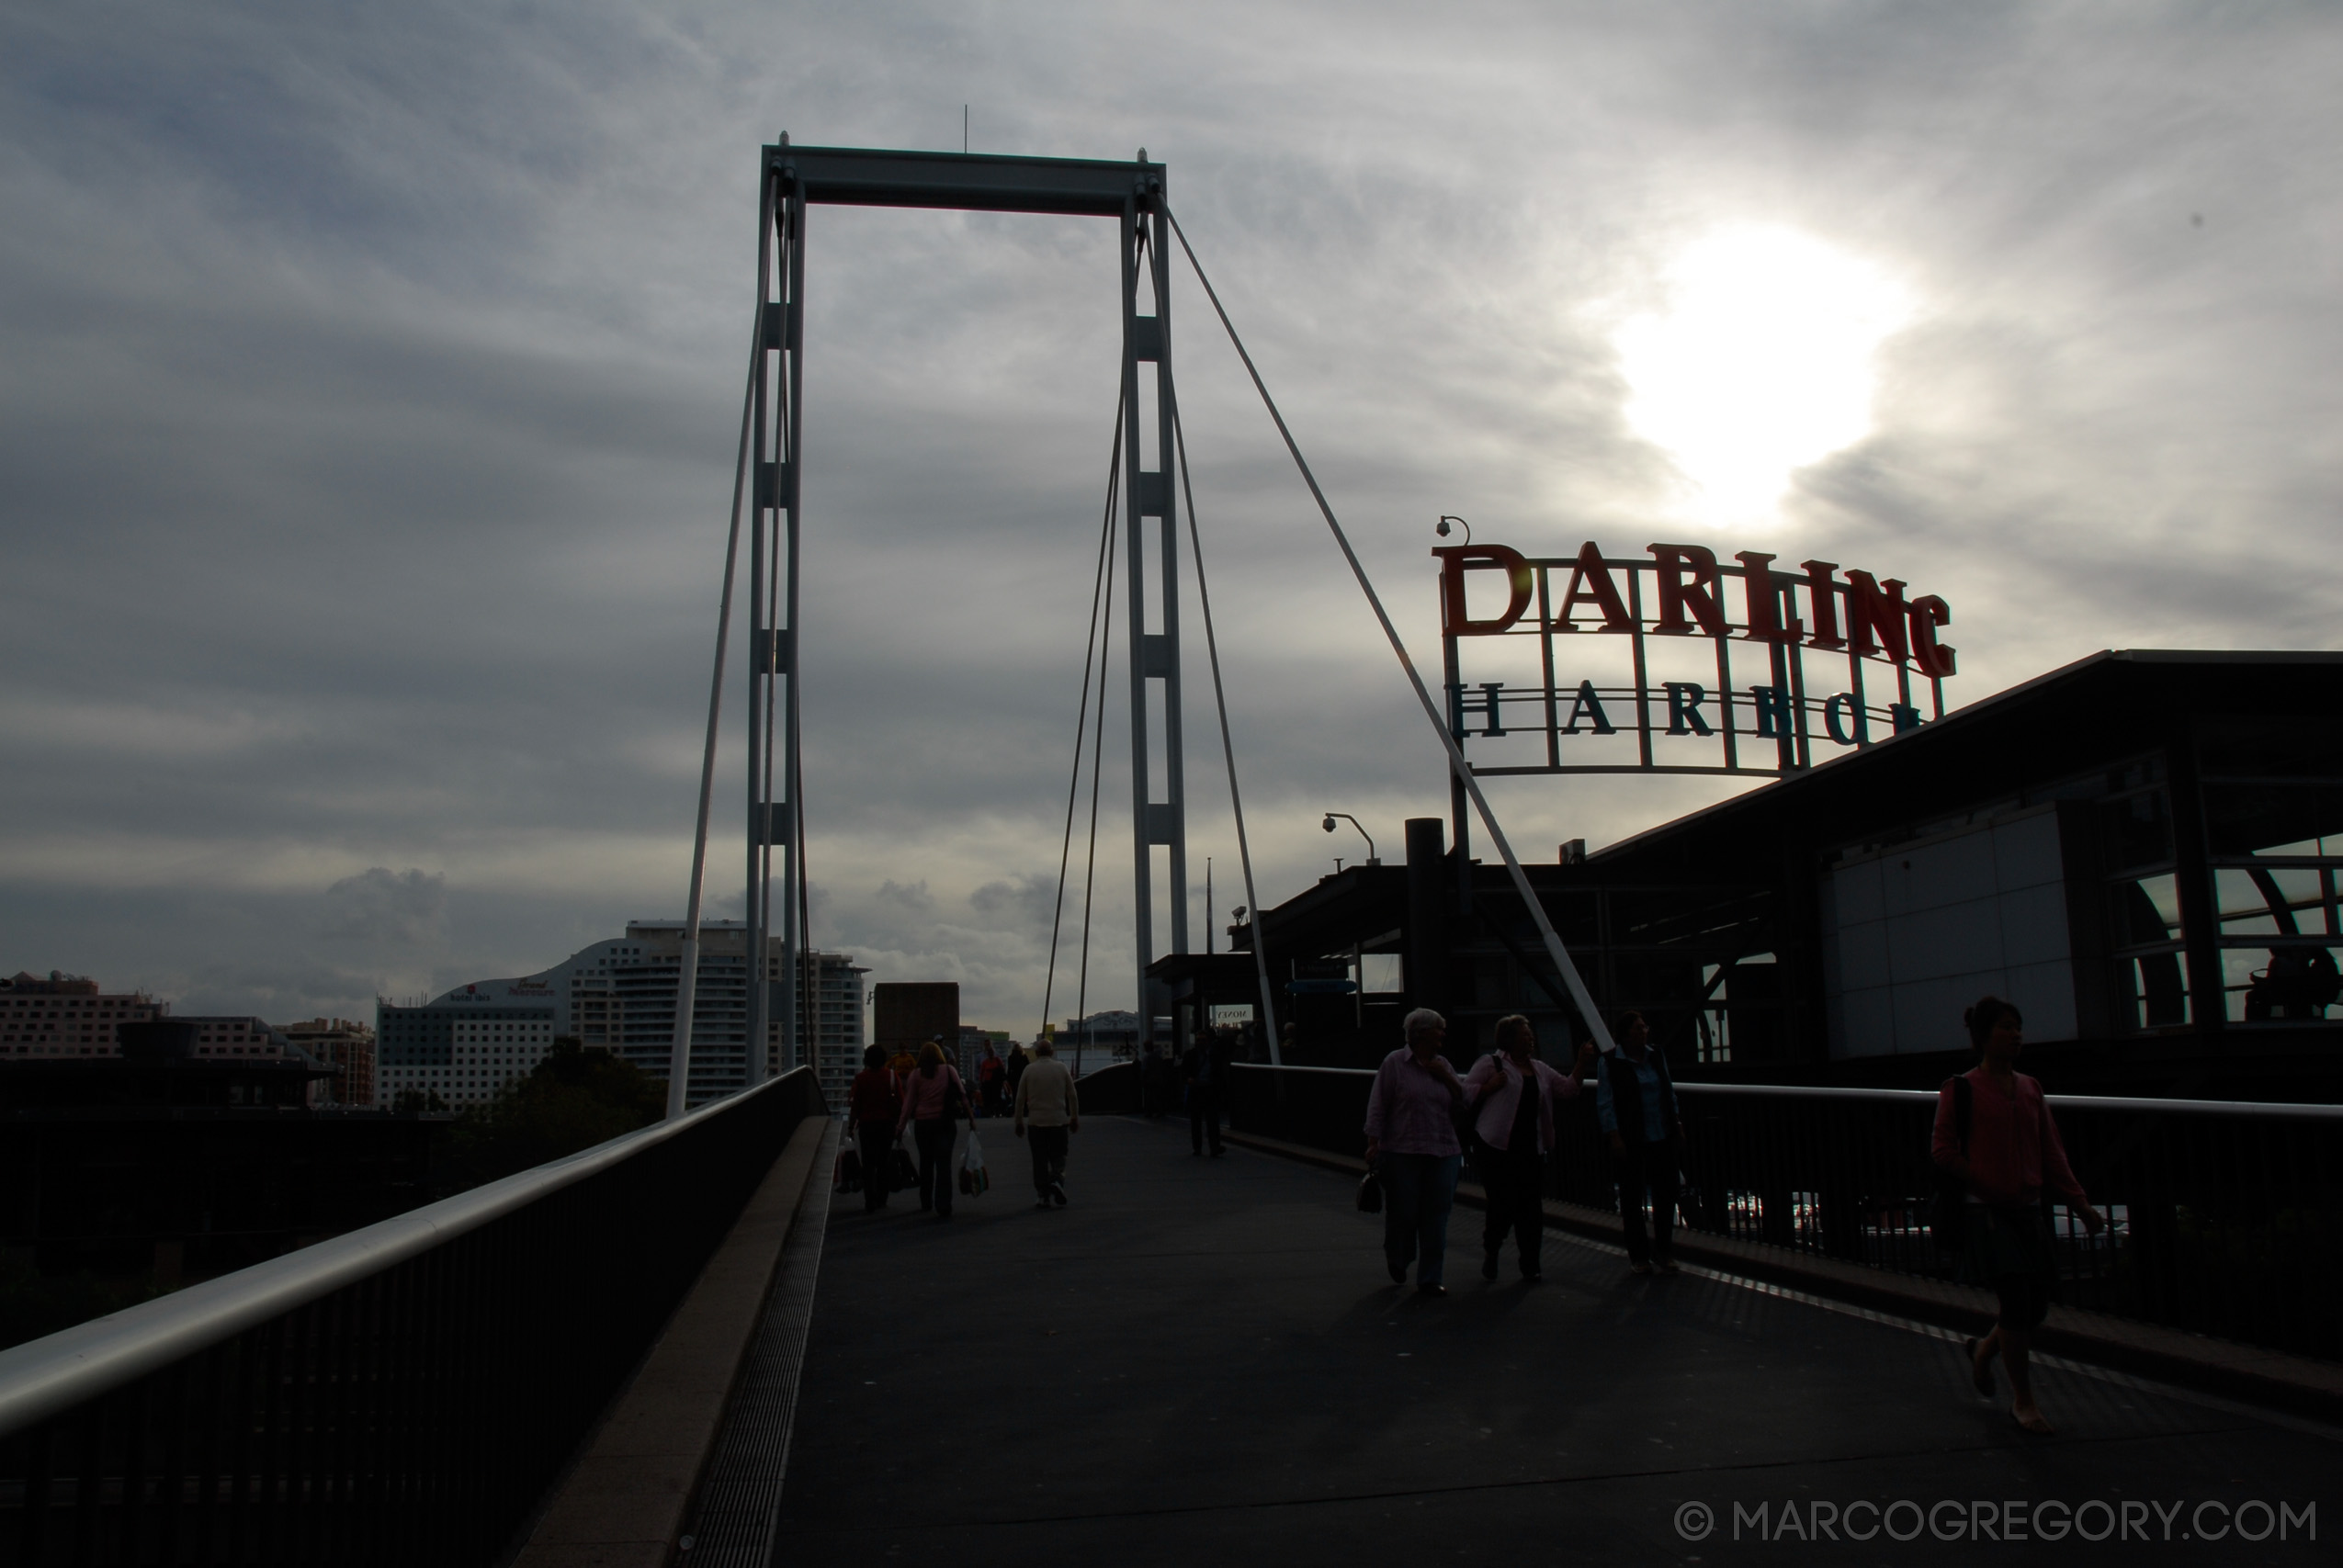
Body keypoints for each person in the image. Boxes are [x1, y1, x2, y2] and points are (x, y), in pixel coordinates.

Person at [1933, 996, 2105, 1435]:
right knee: (2015, 1301)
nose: (2016, 1035)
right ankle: (2024, 1400)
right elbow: (1943, 1150)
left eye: (2018, 1027)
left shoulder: (2030, 1088)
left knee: (2035, 1308)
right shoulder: (1961, 1089)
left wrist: (2078, 1202)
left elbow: (2051, 1151)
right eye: (2007, 1027)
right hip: (1987, 1214)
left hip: (2027, 1209)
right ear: (1984, 1036)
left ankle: (1985, 1350)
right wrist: (1984, 1180)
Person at [1462, 1015, 1596, 1282]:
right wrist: (1488, 1087)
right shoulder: (1491, 1064)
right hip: (1496, 1146)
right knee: (1501, 1205)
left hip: (1529, 1148)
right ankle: (1493, 1247)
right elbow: (1465, 1094)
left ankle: (1530, 1265)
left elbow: (1568, 1090)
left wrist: (1581, 1062)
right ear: (1510, 1039)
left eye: (1531, 1035)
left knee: (1531, 1209)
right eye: (1525, 1035)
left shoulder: (1540, 1069)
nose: (1531, 1039)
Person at [1363, 1008, 1468, 1295]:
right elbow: (1379, 1104)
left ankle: (1430, 1277)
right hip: (1402, 1150)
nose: (1443, 1034)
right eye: (1438, 1029)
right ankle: (1398, 1256)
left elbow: (1464, 1098)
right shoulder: (1394, 1064)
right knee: (1405, 1211)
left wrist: (1445, 1076)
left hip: (1443, 1148)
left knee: (1437, 1214)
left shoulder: (1442, 1063)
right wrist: (1374, 1142)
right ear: (1421, 1033)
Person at [1596, 1010, 1684, 1276]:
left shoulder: (1655, 1055)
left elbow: (1667, 1089)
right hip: (1632, 1135)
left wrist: (1676, 1122)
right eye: (1638, 1028)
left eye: (1644, 1027)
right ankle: (1639, 1255)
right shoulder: (1611, 1062)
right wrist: (1614, 1135)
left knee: (1666, 1194)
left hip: (1661, 1132)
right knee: (1632, 1198)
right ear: (1625, 1034)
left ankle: (1663, 1251)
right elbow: (1605, 1101)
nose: (1643, 1032)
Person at [897, 1041, 974, 1220]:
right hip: (945, 1123)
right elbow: (962, 1095)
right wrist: (971, 1119)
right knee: (944, 1163)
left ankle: (926, 1201)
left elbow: (908, 1105)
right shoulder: (949, 1071)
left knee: (926, 1163)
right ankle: (943, 1204)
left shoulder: (916, 1075)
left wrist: (900, 1127)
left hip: (923, 1125)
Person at [1013, 1039, 1080, 1206]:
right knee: (1059, 1157)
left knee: (1039, 1159)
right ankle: (1056, 1181)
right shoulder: (1062, 1068)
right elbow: (1072, 1095)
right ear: (1052, 1052)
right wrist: (1074, 1118)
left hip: (1036, 1122)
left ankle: (1043, 1194)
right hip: (1058, 1120)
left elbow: (1020, 1099)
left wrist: (1019, 1121)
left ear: (1036, 1054)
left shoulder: (1029, 1070)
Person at [847, 1043, 899, 1213]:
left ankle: (869, 1199)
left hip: (867, 1125)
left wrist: (851, 1127)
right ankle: (882, 1198)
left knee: (868, 1164)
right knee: (884, 1162)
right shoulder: (892, 1076)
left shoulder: (861, 1079)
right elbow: (901, 1101)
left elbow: (855, 1105)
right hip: (887, 1124)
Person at [1181, 1027, 1228, 1156]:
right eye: (1198, 1040)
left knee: (1212, 1121)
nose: (1200, 1042)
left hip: (1210, 1090)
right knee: (1196, 1121)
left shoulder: (1215, 1055)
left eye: (1203, 1039)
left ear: (1208, 1041)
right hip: (1196, 1090)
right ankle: (1197, 1147)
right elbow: (1183, 1071)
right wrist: (1188, 1079)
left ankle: (1214, 1147)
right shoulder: (1190, 1055)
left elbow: (1220, 1073)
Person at [977, 1040, 1006, 1118]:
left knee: (997, 1097)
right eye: (989, 1053)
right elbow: (981, 1072)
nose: (991, 1054)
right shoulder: (985, 1062)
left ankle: (998, 1112)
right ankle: (990, 1112)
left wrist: (1002, 1079)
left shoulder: (997, 1060)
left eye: (992, 1053)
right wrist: (980, 1081)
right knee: (988, 1098)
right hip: (988, 1082)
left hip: (996, 1082)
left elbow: (1002, 1069)